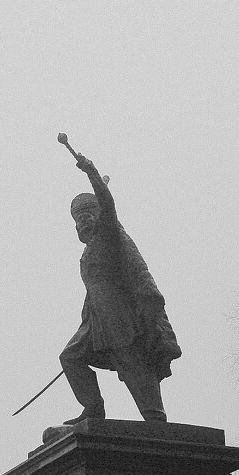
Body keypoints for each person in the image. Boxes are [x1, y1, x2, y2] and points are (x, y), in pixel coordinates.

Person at [59, 152, 181, 424]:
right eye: (79, 219)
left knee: (133, 364)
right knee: (71, 357)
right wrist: (86, 318)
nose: (84, 221)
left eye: (89, 215)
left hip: (122, 318)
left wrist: (91, 172)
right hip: (96, 321)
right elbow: (95, 288)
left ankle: (154, 416)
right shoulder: (90, 251)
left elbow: (108, 204)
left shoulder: (109, 233)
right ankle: (93, 409)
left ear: (100, 217)